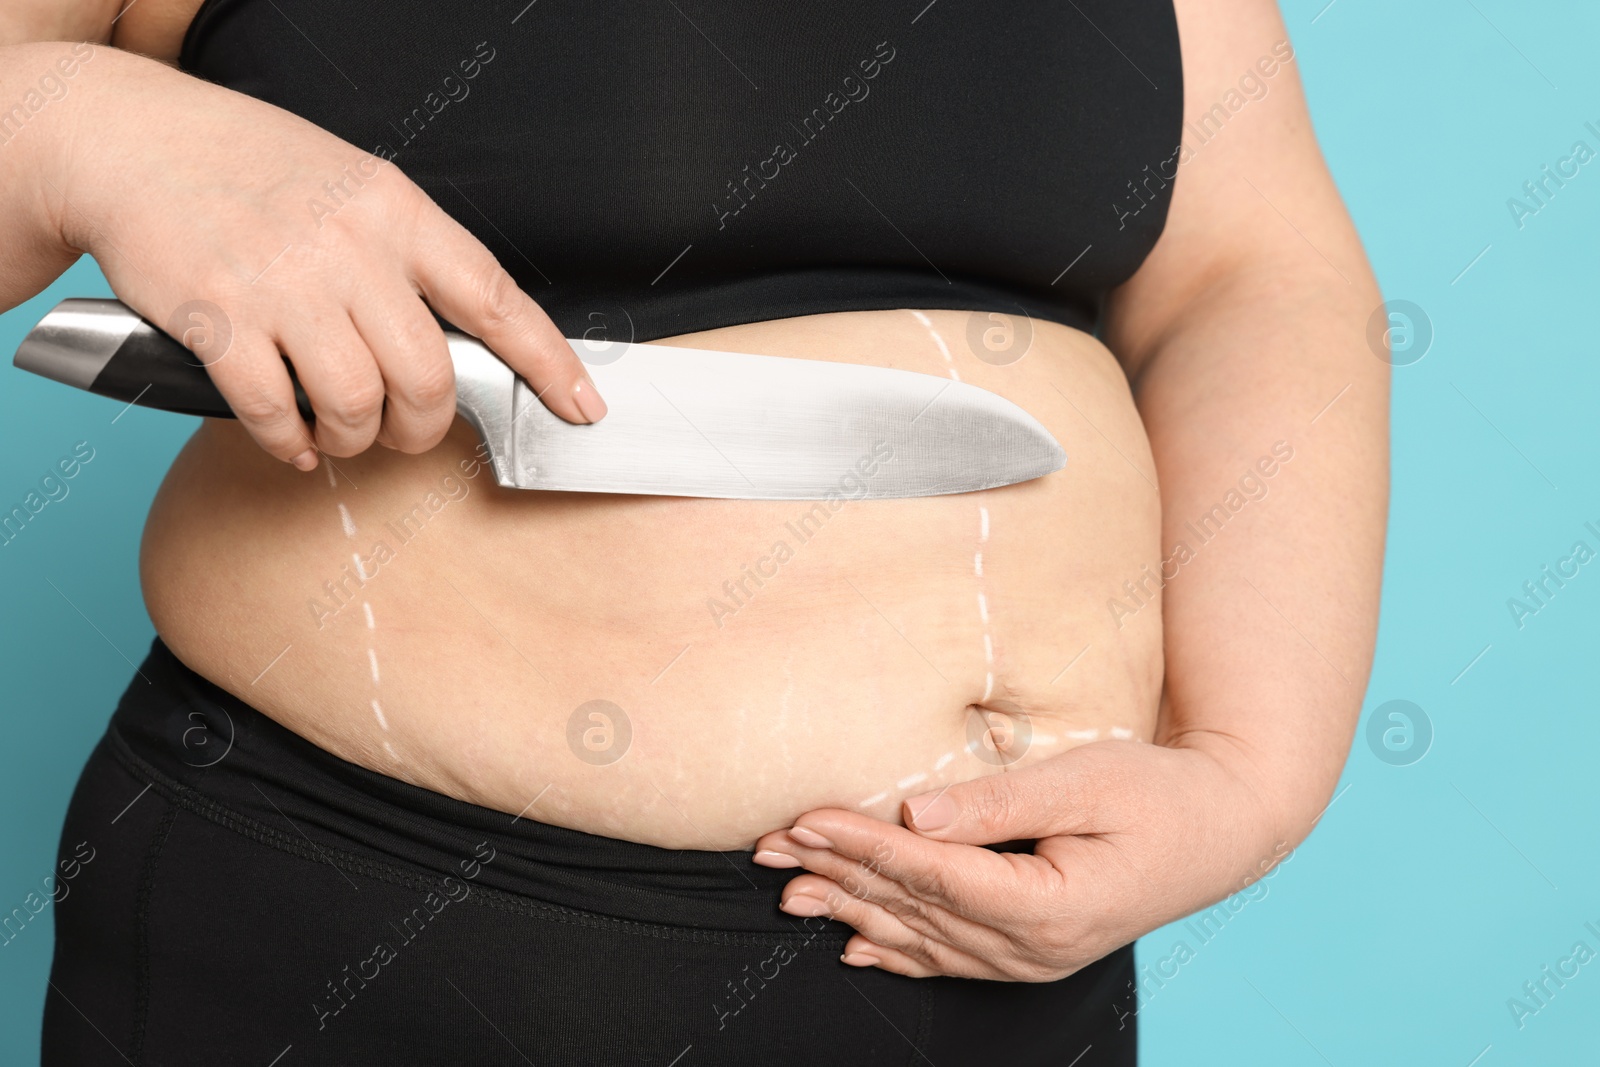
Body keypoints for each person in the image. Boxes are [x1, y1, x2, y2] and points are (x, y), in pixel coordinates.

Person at [2, 0, 1387, 1063]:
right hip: (391, 927)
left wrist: (1246, 778)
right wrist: (87, 123)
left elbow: (1249, 273)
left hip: (994, 968)